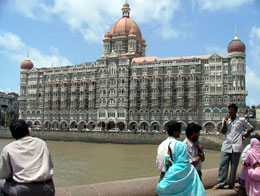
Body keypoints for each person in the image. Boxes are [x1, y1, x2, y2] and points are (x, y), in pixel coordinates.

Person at [0, 120, 55, 196]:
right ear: (28, 131)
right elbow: (50, 165)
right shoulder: (42, 143)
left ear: (13, 135)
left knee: (1, 186)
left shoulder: (8, 149)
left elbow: (3, 174)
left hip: (23, 191)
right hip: (47, 189)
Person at [213, 103, 254, 190]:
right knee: (223, 164)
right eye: (229, 109)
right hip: (226, 145)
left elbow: (250, 128)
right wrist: (224, 121)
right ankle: (221, 183)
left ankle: (232, 184)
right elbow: (223, 132)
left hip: (236, 145)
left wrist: (244, 136)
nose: (230, 111)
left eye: (231, 109)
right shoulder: (226, 120)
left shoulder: (241, 120)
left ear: (235, 111)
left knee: (234, 165)